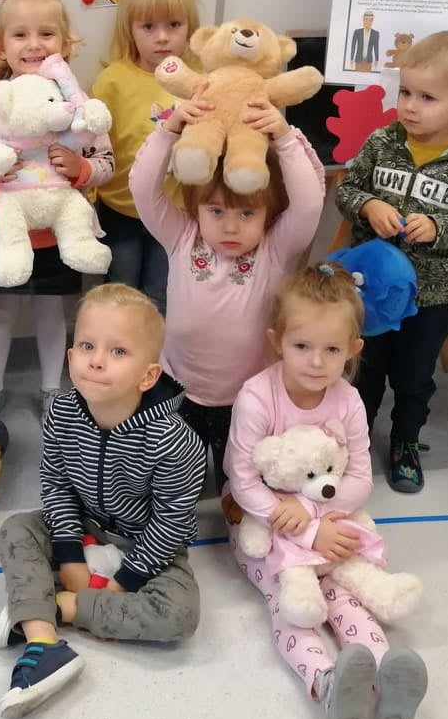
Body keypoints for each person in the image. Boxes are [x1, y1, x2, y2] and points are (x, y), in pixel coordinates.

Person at [225, 263, 429, 719]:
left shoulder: (348, 401)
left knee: (343, 592)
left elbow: (359, 477)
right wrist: (306, 528)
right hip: (263, 522)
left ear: (353, 350)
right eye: (302, 346)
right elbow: (242, 479)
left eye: (332, 350)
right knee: (293, 600)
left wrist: (317, 518)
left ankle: (385, 673)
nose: (316, 362)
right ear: (277, 341)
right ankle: (325, 681)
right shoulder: (257, 397)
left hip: (329, 514)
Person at [0, 284, 203, 719]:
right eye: (87, 346)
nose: (97, 360)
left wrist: (123, 580)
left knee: (181, 615)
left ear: (148, 376)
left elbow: (172, 523)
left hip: (144, 545)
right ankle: (44, 642)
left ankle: (54, 608)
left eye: (118, 351)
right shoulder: (62, 412)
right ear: (70, 357)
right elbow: (56, 482)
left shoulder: (174, 441)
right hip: (84, 524)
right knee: (15, 528)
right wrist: (70, 554)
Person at [129, 81, 325, 499]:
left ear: (269, 214)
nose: (230, 226)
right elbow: (143, 191)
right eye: (216, 211)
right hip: (178, 391)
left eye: (247, 213)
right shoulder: (182, 237)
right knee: (175, 483)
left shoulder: (275, 248)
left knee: (240, 488)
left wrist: (284, 139)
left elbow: (309, 204)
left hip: (249, 399)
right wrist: (169, 131)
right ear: (196, 208)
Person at [335, 31, 448, 492]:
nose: (410, 106)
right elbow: (347, 191)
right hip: (369, 291)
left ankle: (405, 441)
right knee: (363, 371)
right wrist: (368, 206)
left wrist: (440, 227)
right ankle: (354, 441)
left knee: (413, 378)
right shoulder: (381, 143)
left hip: (429, 298)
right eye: (405, 92)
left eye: (427, 97)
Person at [0, 0, 115, 421]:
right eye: (20, 34)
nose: (34, 44)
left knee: (52, 314)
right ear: (1, 46)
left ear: (65, 43)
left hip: (59, 231)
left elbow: (106, 162)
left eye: (46, 33)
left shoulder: (78, 104)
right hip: (0, 225)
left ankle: (52, 389)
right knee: (0, 312)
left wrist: (81, 168)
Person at [90, 0, 203, 311]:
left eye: (174, 25)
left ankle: (156, 348)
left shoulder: (199, 82)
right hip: (119, 209)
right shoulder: (112, 80)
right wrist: (87, 203)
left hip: (174, 210)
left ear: (190, 27)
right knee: (119, 294)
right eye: (149, 27)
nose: (162, 37)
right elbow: (94, 146)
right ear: (130, 29)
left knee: (161, 296)